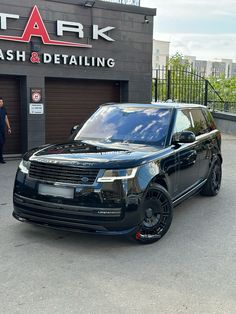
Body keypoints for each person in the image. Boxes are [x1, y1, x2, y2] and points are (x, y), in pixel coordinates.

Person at [0, 97, 11, 164]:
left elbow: (6, 119)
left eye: (2, 101)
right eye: (0, 101)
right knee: (0, 143)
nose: (1, 103)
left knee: (2, 143)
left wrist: (9, 128)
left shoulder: (4, 109)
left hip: (2, 130)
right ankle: (1, 159)